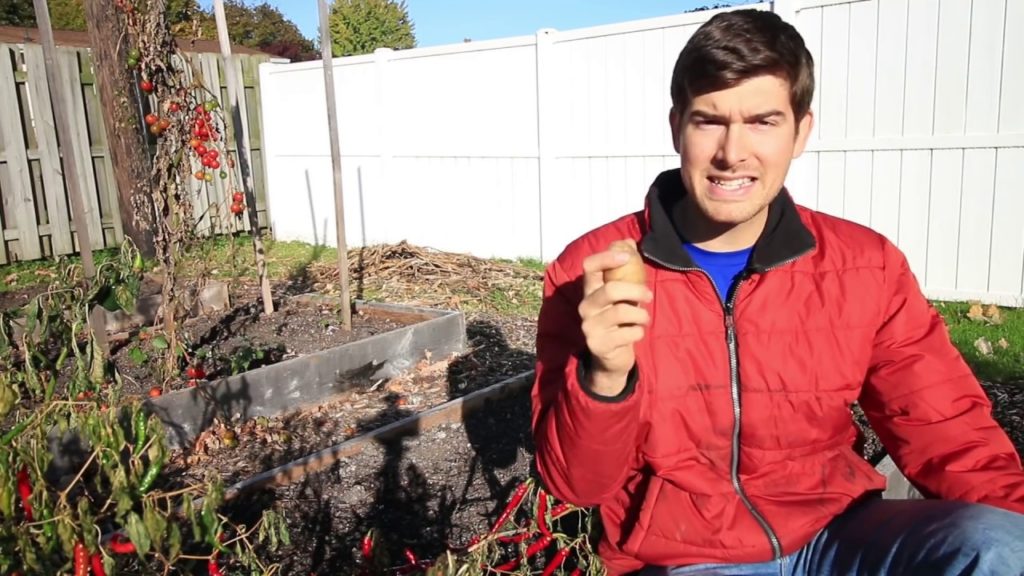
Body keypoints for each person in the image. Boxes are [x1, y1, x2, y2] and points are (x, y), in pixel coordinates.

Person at [530, 8, 1024, 576]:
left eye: (762, 122)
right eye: (708, 120)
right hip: (691, 555)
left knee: (1000, 546)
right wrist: (606, 379)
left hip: (839, 532)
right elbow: (576, 484)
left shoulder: (863, 265)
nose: (732, 152)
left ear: (801, 131)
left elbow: (946, 429)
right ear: (676, 128)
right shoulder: (592, 270)